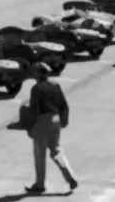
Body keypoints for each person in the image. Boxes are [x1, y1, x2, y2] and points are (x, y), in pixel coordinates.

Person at [24, 63, 78, 194]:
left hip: (42, 121)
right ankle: (70, 177)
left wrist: (30, 127)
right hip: (55, 120)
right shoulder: (55, 86)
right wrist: (64, 120)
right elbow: (63, 105)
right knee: (56, 150)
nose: (32, 74)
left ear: (39, 73)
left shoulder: (36, 88)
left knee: (40, 154)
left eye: (34, 72)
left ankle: (40, 184)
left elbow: (34, 110)